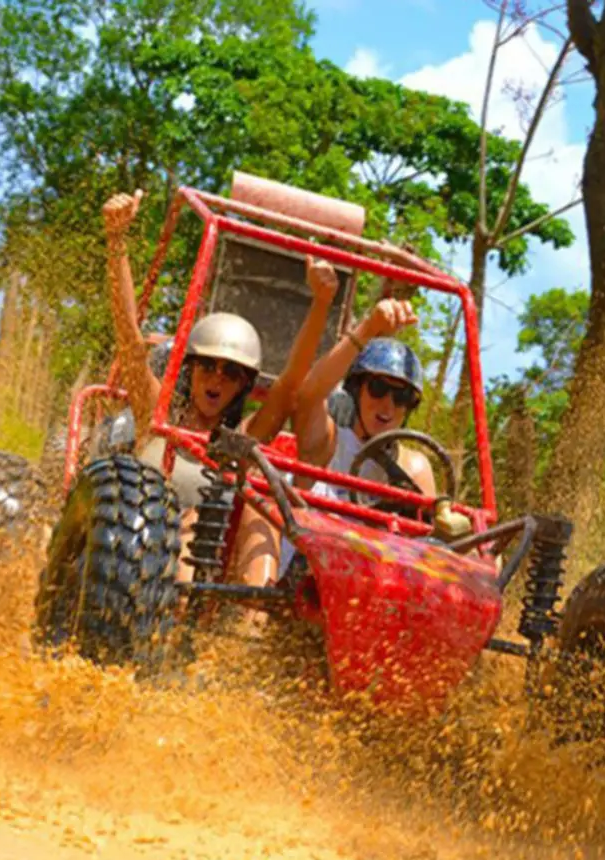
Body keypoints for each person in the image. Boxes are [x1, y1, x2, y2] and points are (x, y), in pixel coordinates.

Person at [102, 191, 338, 588]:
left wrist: (321, 304)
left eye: (231, 372)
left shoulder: (240, 441)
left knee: (259, 501)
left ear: (244, 384)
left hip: (189, 574)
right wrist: (116, 243)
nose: (216, 378)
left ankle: (244, 634)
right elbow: (128, 335)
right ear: (189, 369)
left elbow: (289, 386)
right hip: (124, 554)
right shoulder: (156, 413)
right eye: (208, 366)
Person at [277, 293, 434, 574]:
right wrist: (368, 328)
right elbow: (310, 392)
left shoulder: (415, 467)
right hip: (303, 578)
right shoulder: (327, 440)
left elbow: (426, 548)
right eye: (377, 389)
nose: (387, 404)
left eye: (401, 397)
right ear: (357, 389)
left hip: (370, 589)